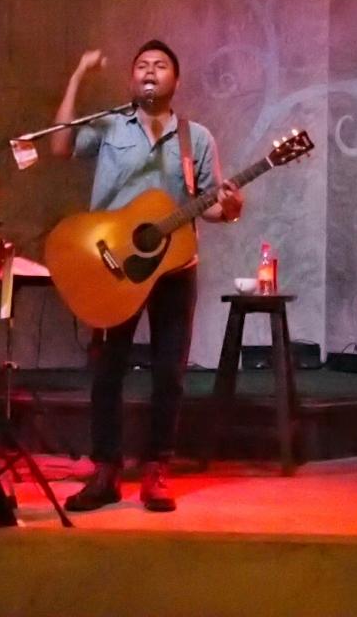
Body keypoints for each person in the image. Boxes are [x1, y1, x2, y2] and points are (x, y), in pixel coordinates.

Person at [50, 40, 243, 512]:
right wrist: (77, 76)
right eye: (141, 66)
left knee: (169, 374)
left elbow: (209, 203)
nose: (150, 71)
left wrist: (230, 207)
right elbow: (59, 145)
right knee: (108, 372)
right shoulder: (112, 125)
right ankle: (106, 471)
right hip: (113, 268)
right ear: (131, 80)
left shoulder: (195, 138)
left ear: (176, 80)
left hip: (175, 269)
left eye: (160, 66)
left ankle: (157, 469)